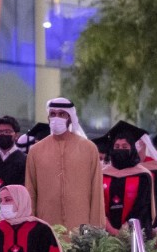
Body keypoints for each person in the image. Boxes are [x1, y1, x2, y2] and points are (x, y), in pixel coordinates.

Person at [25, 97, 103, 229]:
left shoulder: (88, 148)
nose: (56, 118)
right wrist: (31, 226)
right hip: (46, 225)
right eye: (53, 114)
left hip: (80, 224)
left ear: (70, 117)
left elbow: (96, 192)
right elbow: (30, 191)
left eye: (62, 114)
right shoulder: (36, 151)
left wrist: (96, 228)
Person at [100, 121, 157, 232]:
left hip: (135, 233)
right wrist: (110, 229)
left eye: (124, 146)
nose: (120, 149)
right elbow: (97, 205)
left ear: (132, 149)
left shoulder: (143, 175)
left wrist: (125, 230)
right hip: (105, 232)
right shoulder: (102, 174)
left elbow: (142, 207)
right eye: (116, 146)